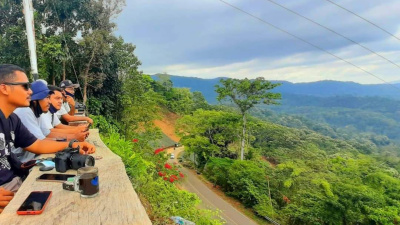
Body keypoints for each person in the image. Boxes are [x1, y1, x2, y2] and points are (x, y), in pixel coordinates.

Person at [0, 64, 95, 212]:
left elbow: (38, 145)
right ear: (4, 88)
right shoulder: (21, 113)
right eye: (25, 86)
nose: (30, 92)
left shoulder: (12, 119)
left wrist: (73, 144)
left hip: (17, 181)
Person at [13, 81, 88, 162]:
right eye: (47, 97)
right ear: (35, 100)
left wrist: (73, 140)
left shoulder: (37, 112)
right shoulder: (25, 111)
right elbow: (39, 144)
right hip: (18, 163)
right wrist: (72, 142)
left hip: (29, 159)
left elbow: (45, 137)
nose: (49, 101)